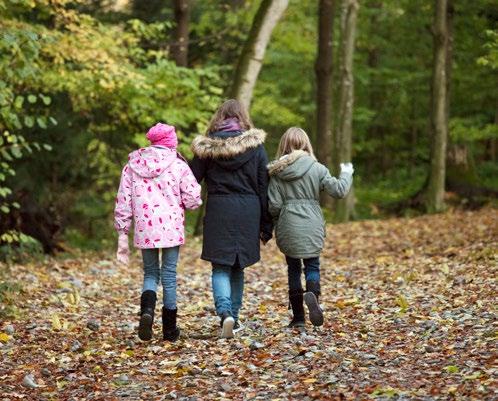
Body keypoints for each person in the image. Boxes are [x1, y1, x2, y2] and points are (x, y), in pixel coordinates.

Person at [190, 99, 273, 338]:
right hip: (249, 210)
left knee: (220, 266)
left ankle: (225, 313)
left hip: (219, 209)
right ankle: (233, 320)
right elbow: (264, 186)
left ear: (219, 118)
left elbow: (191, 180)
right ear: (242, 118)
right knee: (238, 266)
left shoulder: (206, 149)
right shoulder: (256, 147)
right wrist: (266, 224)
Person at [114, 123, 202, 342]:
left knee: (150, 273)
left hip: (145, 228)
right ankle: (169, 330)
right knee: (169, 275)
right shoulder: (178, 165)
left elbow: (123, 200)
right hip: (171, 228)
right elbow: (193, 199)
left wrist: (123, 230)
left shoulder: (132, 165)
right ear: (171, 142)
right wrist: (189, 200)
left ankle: (147, 312)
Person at [267, 127, 353, 328]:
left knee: (293, 268)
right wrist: (347, 173)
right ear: (306, 144)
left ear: (284, 146)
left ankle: (298, 318)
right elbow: (339, 191)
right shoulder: (317, 168)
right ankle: (313, 295)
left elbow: (274, 206)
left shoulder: (276, 172)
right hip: (312, 223)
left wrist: (278, 222)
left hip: (288, 225)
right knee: (312, 265)